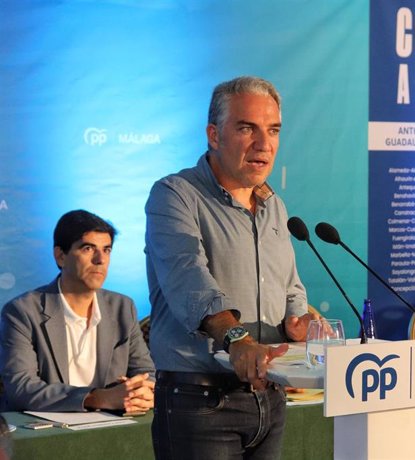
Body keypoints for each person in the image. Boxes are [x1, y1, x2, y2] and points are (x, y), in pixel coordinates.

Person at [145, 76, 314, 459]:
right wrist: (237, 340)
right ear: (214, 135)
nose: (264, 144)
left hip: (269, 399)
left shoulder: (275, 206)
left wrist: (297, 318)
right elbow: (189, 279)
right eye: (246, 128)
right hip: (201, 402)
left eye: (272, 130)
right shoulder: (174, 196)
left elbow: (291, 285)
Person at [0, 210, 155, 413]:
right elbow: (22, 389)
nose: (100, 260)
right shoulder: (22, 312)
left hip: (111, 425)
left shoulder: (122, 308)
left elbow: (146, 372)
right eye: (88, 248)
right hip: (45, 433)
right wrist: (97, 398)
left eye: (107, 250)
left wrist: (140, 392)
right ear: (61, 256)